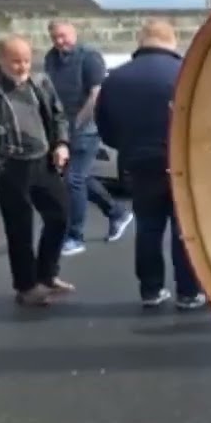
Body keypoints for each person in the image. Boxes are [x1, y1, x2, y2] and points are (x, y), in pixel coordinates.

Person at [94, 20, 206, 312]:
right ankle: (188, 292)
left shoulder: (115, 79)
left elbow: (104, 127)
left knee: (148, 228)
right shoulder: (185, 74)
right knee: (185, 230)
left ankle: (151, 290)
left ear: (140, 40)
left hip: (139, 164)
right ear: (171, 41)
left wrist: (128, 147)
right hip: (181, 163)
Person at [0, 35, 74, 306]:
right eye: (15, 61)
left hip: (43, 160)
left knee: (60, 216)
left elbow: (58, 115)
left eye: (26, 60)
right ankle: (26, 286)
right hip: (11, 165)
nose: (22, 67)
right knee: (20, 228)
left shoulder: (40, 81)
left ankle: (47, 274)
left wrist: (60, 144)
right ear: (0, 59)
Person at [44, 20, 132, 256]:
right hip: (63, 126)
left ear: (74, 33)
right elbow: (49, 91)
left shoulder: (89, 57)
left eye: (63, 36)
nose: (60, 42)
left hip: (87, 127)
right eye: (55, 38)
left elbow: (95, 95)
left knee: (73, 179)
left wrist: (78, 124)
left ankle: (75, 236)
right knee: (78, 177)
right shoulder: (51, 59)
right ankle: (116, 211)